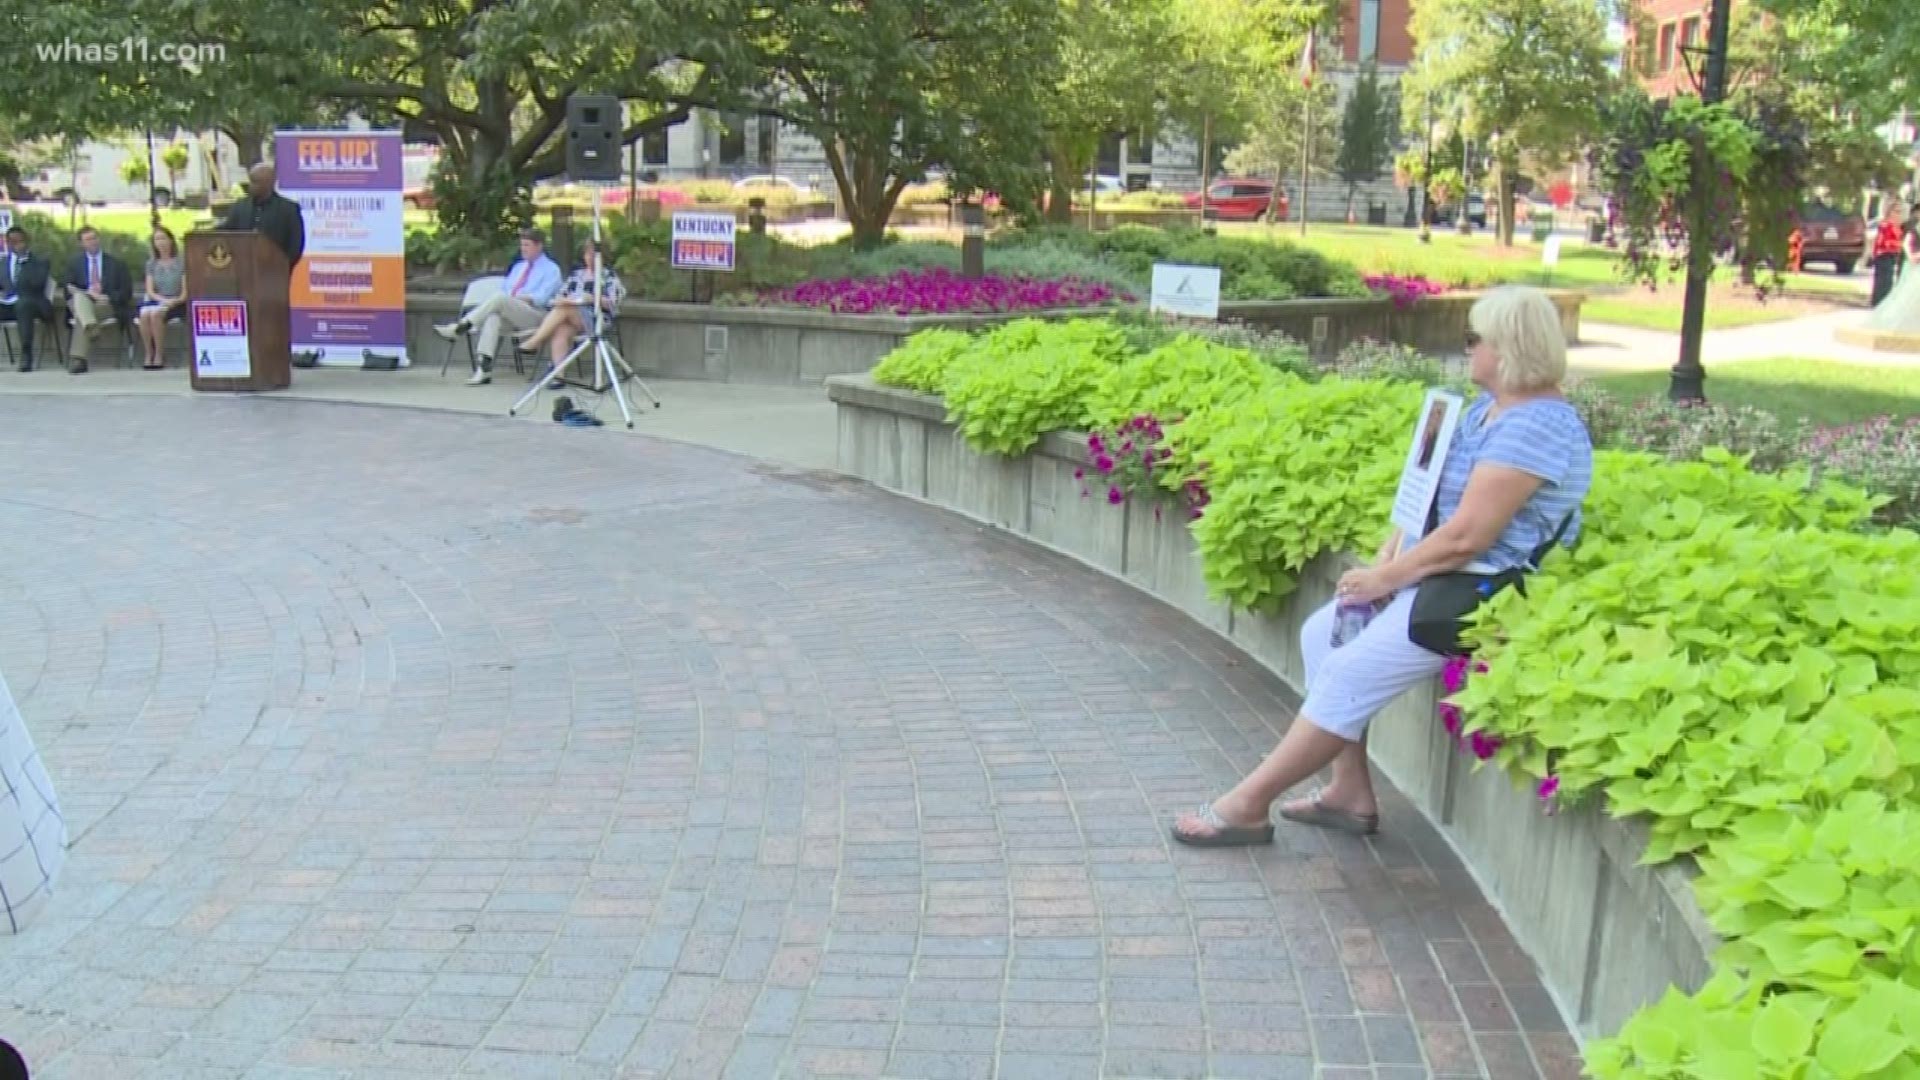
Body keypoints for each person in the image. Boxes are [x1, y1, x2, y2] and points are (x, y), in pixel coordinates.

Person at [1172, 286, 1593, 846]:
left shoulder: (1538, 427)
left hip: (1483, 589)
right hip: (1442, 574)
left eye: (1474, 340)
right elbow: (1430, 493)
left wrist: (1386, 581)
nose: (1466, 349)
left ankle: (1247, 804)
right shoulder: (1486, 411)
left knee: (1347, 671)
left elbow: (1469, 536)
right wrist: (1389, 556)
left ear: (1509, 348)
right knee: (1324, 636)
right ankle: (1349, 793)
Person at [432, 227, 562, 386]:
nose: (523, 249)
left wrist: (519, 298)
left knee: (500, 300)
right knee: (494, 317)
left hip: (537, 316)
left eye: (527, 245)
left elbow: (542, 299)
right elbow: (505, 289)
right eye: (521, 245)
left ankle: (461, 327)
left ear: (539, 246)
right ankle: (484, 369)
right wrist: (511, 300)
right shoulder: (519, 267)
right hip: (511, 311)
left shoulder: (552, 269)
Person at [515, 238, 626, 372]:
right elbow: (558, 296)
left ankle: (536, 341)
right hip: (571, 317)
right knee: (561, 328)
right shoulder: (576, 275)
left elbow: (613, 304)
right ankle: (558, 374)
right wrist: (560, 300)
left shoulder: (609, 276)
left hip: (597, 319)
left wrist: (593, 299)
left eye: (593, 255)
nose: (589, 258)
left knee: (566, 308)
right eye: (587, 254)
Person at [62, 226, 135, 375]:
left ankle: (78, 359)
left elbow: (126, 292)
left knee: (81, 315)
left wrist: (108, 297)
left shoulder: (116, 263)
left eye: (95, 238)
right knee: (79, 297)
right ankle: (91, 327)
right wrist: (88, 294)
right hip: (82, 301)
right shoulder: (74, 263)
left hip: (105, 305)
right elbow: (67, 290)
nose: (93, 242)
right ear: (82, 244)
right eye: (88, 239)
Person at [220, 163, 306, 267]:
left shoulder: (288, 209)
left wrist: (284, 265)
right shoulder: (240, 206)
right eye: (250, 181)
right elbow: (227, 230)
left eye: (255, 182)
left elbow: (296, 244)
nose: (250, 186)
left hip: (275, 271)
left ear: (269, 183)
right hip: (243, 270)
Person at [0, 227, 53, 371]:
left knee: (23, 305)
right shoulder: (3, 263)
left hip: (34, 304)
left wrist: (24, 263)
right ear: (7, 243)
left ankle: (26, 354)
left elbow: (38, 283)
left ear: (26, 241)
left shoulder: (39, 261)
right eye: (12, 242)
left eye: (20, 241)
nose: (17, 245)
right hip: (9, 305)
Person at [137, 226, 187, 370]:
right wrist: (162, 300)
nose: (161, 242)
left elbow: (185, 293)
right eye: (157, 239)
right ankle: (149, 354)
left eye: (163, 238)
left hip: (177, 302)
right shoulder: (151, 264)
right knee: (145, 314)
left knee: (156, 314)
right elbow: (150, 291)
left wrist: (174, 301)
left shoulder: (181, 263)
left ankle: (159, 354)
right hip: (157, 300)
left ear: (171, 240)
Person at [1871, 202, 1906, 307]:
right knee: (1883, 281)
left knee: (1888, 281)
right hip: (1884, 255)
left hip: (1892, 255)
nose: (1898, 214)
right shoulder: (1886, 225)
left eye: (1900, 212)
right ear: (1890, 212)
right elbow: (1883, 242)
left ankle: (1883, 303)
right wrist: (1899, 244)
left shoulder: (1897, 226)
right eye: (1896, 211)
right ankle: (1878, 303)